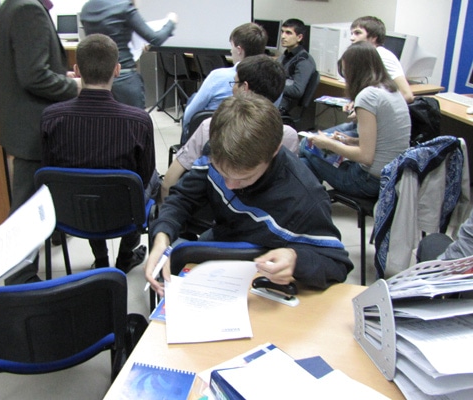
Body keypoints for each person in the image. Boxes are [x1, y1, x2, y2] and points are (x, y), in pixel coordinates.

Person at [145, 92, 353, 296]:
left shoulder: (306, 199)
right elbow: (183, 197)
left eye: (244, 178)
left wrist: (295, 258)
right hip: (222, 243)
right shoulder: (217, 150)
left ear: (274, 151)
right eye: (222, 173)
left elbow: (337, 264)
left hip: (266, 278)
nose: (230, 185)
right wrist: (162, 235)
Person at [41, 34, 158, 272]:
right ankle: (125, 257)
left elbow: (49, 171)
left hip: (72, 213)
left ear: (76, 70)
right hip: (124, 213)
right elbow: (145, 176)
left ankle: (101, 258)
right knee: (153, 179)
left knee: (84, 180)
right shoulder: (139, 121)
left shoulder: (51, 117)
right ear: (117, 70)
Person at [0, 0, 80, 284]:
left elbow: (31, 65)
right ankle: (18, 278)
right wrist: (73, 86)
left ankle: (48, 240)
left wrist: (60, 75)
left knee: (34, 199)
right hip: (32, 129)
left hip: (25, 125)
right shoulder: (27, 9)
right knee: (25, 210)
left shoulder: (12, 5)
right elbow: (34, 76)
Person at [161, 54, 298, 200]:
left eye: (234, 83)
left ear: (244, 88)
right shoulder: (288, 135)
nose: (232, 88)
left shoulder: (211, 127)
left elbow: (168, 182)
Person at [299, 41, 411, 199]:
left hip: (369, 181)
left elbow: (365, 157)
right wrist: (350, 141)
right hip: (392, 177)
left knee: (305, 145)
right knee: (308, 159)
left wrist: (328, 144)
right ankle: (314, 200)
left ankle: (311, 202)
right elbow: (384, 140)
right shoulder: (391, 89)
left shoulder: (367, 96)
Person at [180, 22, 268, 144]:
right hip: (255, 142)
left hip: (216, 140)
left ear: (239, 50)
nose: (230, 51)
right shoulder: (273, 79)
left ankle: (184, 151)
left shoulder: (218, 77)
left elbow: (189, 116)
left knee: (193, 102)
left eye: (232, 46)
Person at [80, 0, 177, 109]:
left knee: (101, 118)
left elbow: (102, 38)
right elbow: (156, 39)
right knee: (134, 118)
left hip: (95, 79)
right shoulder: (124, 7)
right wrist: (171, 22)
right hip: (124, 77)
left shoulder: (86, 9)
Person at [277, 18, 317, 116]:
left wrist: (272, 86)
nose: (283, 36)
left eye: (288, 33)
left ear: (299, 37)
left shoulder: (304, 60)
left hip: (283, 105)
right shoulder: (285, 55)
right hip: (276, 99)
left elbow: (297, 90)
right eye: (282, 32)